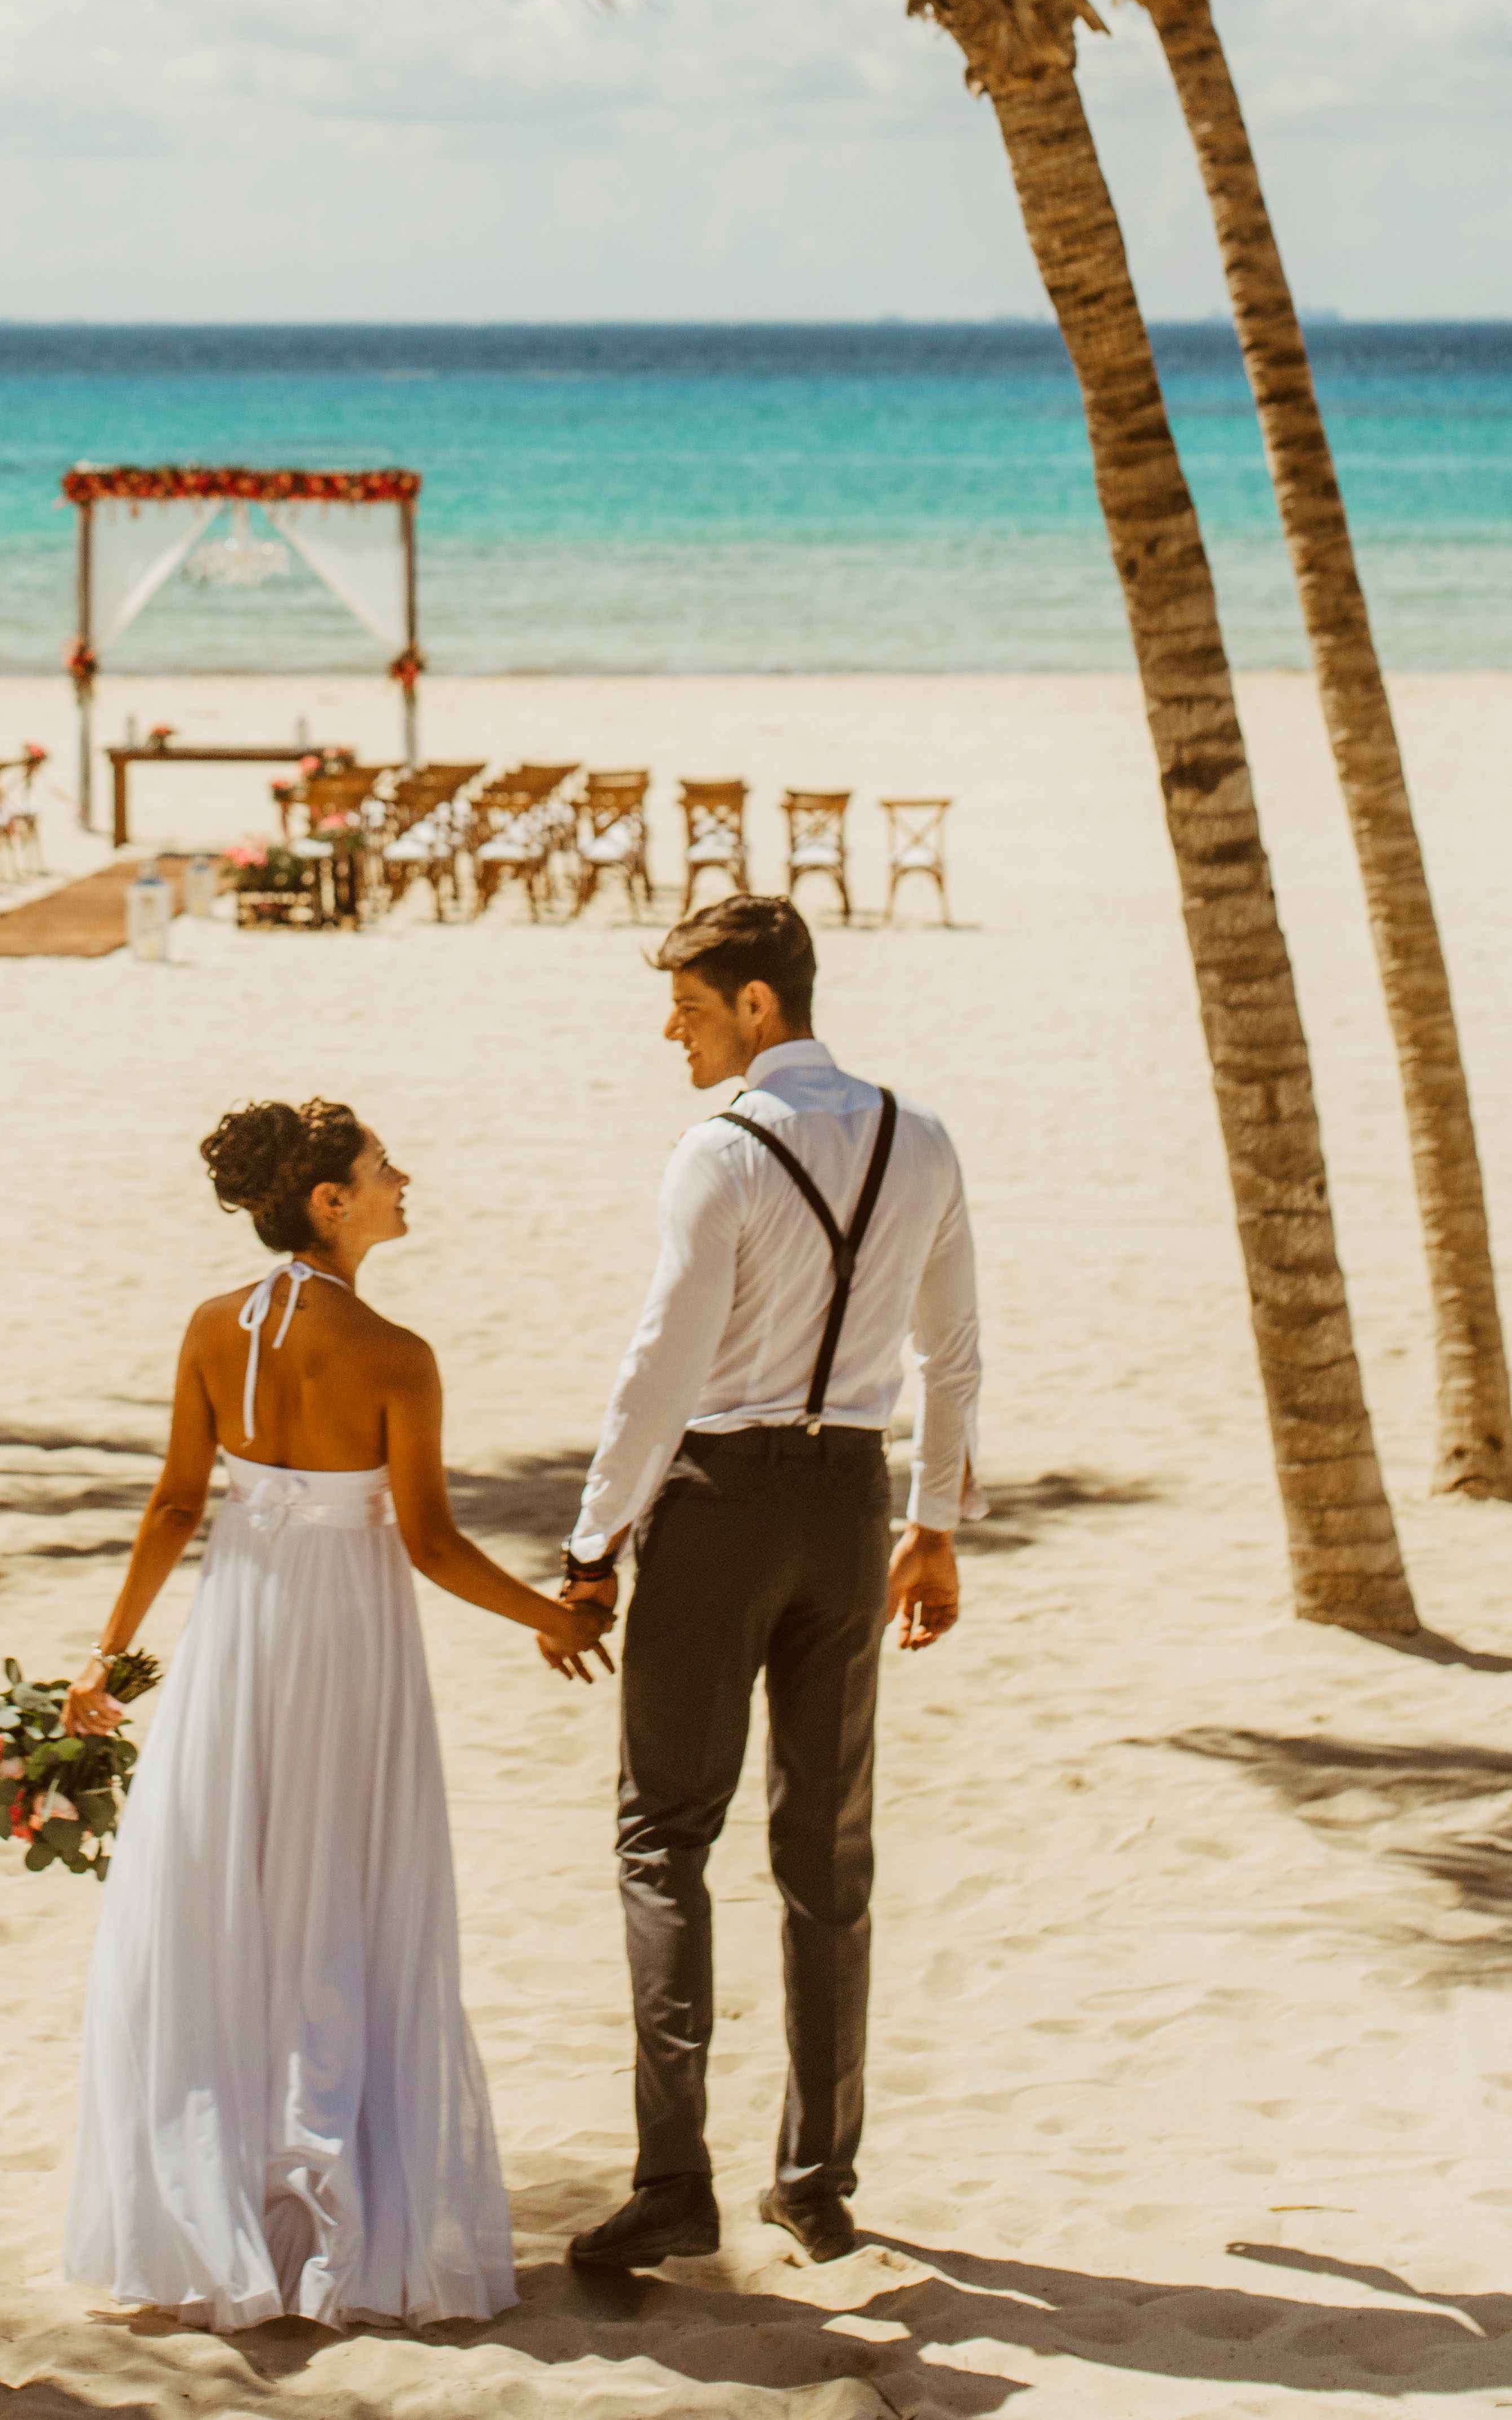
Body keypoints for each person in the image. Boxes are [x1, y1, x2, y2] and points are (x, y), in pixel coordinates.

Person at [60, 1096, 611, 2332]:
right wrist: (550, 1616)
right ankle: (331, 2208)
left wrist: (105, 1658)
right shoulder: (394, 1353)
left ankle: (225, 2203)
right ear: (328, 1201)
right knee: (340, 1890)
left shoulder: (213, 1329)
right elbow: (427, 1541)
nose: (402, 1178)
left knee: (232, 1890)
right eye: (379, 1168)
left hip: (238, 1637)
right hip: (347, 1644)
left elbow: (171, 1506)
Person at [553, 895, 981, 2275]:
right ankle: (816, 2176)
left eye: (686, 1004)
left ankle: (676, 2179)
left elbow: (661, 1366)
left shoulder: (719, 1151)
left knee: (663, 1838)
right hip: (849, 1505)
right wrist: (931, 1523)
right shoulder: (919, 1135)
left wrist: (590, 1543)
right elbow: (952, 1352)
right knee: (826, 1851)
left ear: (756, 1004)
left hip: (722, 1505)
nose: (666, 1029)